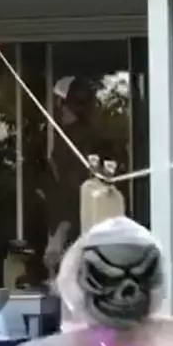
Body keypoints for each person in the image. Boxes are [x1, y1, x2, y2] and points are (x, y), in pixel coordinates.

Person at [38, 76, 129, 277]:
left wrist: (59, 236)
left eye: (58, 102)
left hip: (75, 238)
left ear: (63, 104)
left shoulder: (74, 142)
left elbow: (73, 191)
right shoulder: (89, 138)